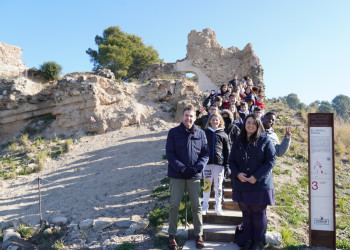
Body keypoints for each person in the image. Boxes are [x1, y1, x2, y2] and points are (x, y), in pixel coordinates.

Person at [229, 114, 276, 250]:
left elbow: (271, 161)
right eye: (248, 122)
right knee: (246, 212)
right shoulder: (238, 140)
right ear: (244, 124)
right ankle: (248, 239)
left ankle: (258, 242)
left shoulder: (265, 140)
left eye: (253, 123)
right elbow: (231, 161)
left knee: (258, 212)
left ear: (258, 125)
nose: (250, 125)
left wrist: (256, 176)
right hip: (242, 183)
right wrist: (237, 174)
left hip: (259, 185)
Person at [166, 105, 209, 249]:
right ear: (182, 116)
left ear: (195, 118)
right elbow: (170, 154)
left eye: (191, 116)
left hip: (195, 175)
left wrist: (197, 168)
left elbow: (205, 154)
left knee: (196, 206)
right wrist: (182, 168)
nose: (188, 118)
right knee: (174, 205)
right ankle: (172, 235)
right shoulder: (173, 132)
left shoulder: (201, 134)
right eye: (186, 115)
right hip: (177, 174)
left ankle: (199, 235)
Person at [202, 113, 229, 216]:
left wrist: (226, 165)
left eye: (217, 120)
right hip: (207, 164)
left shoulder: (223, 134)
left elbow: (227, 151)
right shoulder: (205, 133)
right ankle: (205, 205)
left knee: (218, 186)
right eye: (213, 120)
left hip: (219, 164)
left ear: (220, 121)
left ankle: (218, 206)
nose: (214, 122)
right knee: (207, 185)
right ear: (209, 121)